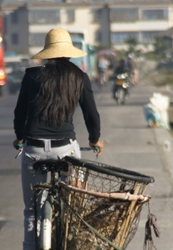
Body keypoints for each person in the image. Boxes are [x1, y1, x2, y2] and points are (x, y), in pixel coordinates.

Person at [13, 28, 104, 250]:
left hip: (34, 150)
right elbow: (91, 114)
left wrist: (20, 138)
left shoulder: (32, 76)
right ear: (69, 52)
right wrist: (95, 139)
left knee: (31, 211)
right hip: (66, 152)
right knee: (74, 207)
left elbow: (20, 113)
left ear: (47, 52)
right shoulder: (79, 77)